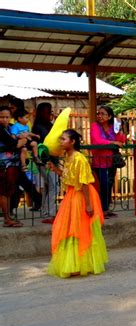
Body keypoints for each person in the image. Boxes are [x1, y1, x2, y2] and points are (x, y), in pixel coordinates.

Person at [47, 129, 108, 278]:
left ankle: (83, 262)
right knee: (69, 228)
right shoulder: (68, 156)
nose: (61, 142)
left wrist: (88, 204)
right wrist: (56, 170)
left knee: (80, 228)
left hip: (81, 195)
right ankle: (75, 261)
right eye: (60, 139)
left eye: (64, 139)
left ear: (73, 142)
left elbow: (85, 182)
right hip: (72, 194)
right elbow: (69, 177)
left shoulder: (79, 158)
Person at [90, 105, 126, 219]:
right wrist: (113, 143)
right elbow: (96, 140)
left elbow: (122, 140)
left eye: (102, 114)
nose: (99, 116)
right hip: (99, 161)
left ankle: (106, 209)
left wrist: (119, 129)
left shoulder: (112, 127)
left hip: (111, 161)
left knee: (109, 185)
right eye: (98, 113)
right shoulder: (94, 126)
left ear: (110, 116)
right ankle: (101, 209)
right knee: (103, 185)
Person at [32, 103, 59, 223]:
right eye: (49, 111)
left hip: (50, 159)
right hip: (45, 160)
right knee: (54, 185)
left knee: (49, 185)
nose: (51, 114)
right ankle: (50, 212)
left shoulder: (47, 125)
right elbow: (47, 139)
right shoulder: (38, 127)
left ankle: (45, 210)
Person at [0, 106, 27, 227]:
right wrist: (22, 141)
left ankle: (9, 216)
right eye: (1, 117)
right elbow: (13, 144)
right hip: (3, 164)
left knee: (9, 190)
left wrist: (21, 141)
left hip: (12, 164)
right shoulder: (1, 129)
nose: (4, 119)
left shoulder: (11, 128)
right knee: (4, 191)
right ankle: (6, 218)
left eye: (6, 117)